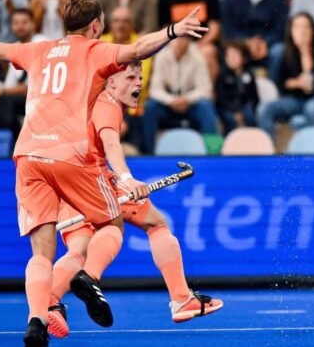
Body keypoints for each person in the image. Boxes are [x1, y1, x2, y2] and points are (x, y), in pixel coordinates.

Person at [0, 0, 208, 346]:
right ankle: (90, 278)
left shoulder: (40, 49)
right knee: (111, 223)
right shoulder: (97, 51)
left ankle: (37, 319)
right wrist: (172, 31)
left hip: (29, 156)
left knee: (42, 253)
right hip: (71, 157)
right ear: (97, 25)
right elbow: (138, 50)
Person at [46, 64, 223, 339]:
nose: (138, 83)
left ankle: (50, 301)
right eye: (130, 77)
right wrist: (127, 178)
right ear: (111, 83)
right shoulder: (108, 103)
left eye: (140, 77)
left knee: (79, 248)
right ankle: (180, 298)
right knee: (155, 223)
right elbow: (112, 144)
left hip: (62, 182)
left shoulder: (88, 99)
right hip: (94, 181)